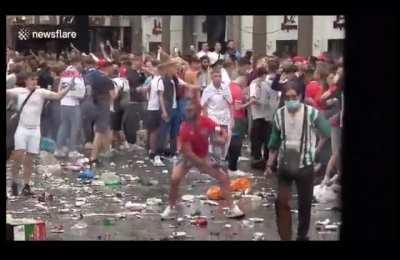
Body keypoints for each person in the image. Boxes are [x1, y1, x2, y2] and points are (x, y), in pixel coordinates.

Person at [265, 80, 331, 240]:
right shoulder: (279, 114)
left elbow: (327, 132)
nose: (290, 101)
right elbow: (274, 141)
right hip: (285, 166)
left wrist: (316, 150)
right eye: (287, 98)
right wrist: (269, 164)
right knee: (281, 203)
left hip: (305, 165)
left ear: (301, 96)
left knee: (304, 203)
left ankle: (302, 235)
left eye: (294, 97)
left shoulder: (311, 113)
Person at [160, 97, 245, 219]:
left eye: (191, 108)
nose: (187, 110)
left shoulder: (207, 121)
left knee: (223, 177)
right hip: (187, 157)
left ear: (198, 109)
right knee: (175, 179)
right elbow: (189, 154)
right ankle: (171, 207)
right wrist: (205, 165)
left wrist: (223, 137)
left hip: (203, 154)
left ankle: (233, 208)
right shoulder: (184, 128)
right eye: (187, 109)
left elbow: (218, 134)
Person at [6, 71, 73, 196]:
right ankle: (14, 181)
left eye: (35, 80)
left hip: (35, 129)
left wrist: (69, 87)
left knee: (30, 159)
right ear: (26, 81)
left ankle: (26, 185)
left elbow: (58, 96)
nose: (34, 82)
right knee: (18, 155)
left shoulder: (41, 92)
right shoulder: (19, 91)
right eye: (31, 79)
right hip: (22, 128)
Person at [54, 56, 86, 158]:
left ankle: (58, 148)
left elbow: (60, 88)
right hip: (73, 103)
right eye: (80, 63)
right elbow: (79, 90)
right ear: (76, 63)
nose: (81, 65)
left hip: (63, 103)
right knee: (74, 127)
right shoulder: (75, 74)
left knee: (63, 126)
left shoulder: (64, 73)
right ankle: (72, 150)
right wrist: (82, 96)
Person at [201, 67, 233, 167]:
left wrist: (232, 118)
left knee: (224, 140)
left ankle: (220, 158)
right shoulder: (208, 90)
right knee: (216, 139)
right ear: (211, 77)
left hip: (224, 116)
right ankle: (216, 160)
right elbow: (204, 106)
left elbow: (230, 103)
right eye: (215, 76)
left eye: (219, 76)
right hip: (213, 117)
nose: (218, 78)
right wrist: (205, 120)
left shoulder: (225, 88)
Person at [249, 67, 280, 169]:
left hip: (265, 115)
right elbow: (254, 98)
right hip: (260, 116)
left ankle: (264, 159)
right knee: (260, 139)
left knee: (264, 139)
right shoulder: (256, 84)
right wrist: (262, 103)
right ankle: (258, 159)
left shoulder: (266, 84)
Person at [88, 59, 117, 166]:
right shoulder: (107, 80)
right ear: (107, 67)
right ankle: (93, 157)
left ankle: (106, 150)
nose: (113, 70)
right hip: (103, 105)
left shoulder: (92, 75)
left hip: (92, 104)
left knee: (105, 129)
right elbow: (113, 96)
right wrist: (117, 91)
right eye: (111, 68)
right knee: (100, 131)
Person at [226, 75, 252, 176]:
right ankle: (232, 168)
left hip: (228, 117)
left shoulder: (229, 87)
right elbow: (237, 107)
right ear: (244, 82)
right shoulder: (238, 90)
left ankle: (229, 165)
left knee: (229, 142)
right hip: (237, 118)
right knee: (236, 143)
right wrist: (250, 102)